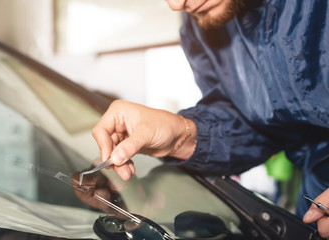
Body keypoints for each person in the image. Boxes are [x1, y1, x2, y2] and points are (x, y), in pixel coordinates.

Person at [91, 0, 329, 238]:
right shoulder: (200, 23)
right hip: (316, 198)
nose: (176, 4)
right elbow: (260, 125)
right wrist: (181, 135)